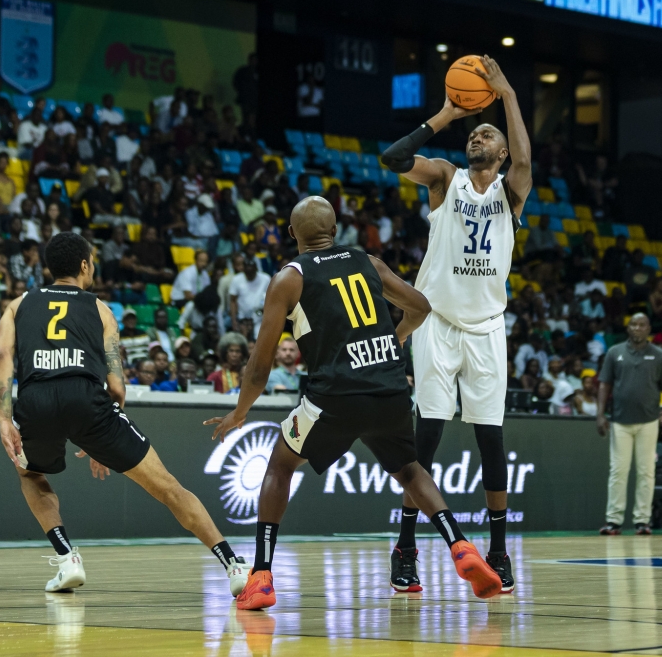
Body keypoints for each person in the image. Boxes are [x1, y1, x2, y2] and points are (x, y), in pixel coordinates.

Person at [205, 197, 502, 611]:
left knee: (280, 463)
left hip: (335, 397)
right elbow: (420, 306)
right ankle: (461, 545)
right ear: (335, 227)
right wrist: (394, 339)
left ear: (292, 234)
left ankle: (261, 575)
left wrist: (240, 411)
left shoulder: (289, 278)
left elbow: (259, 365)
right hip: (390, 389)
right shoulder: (368, 261)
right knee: (410, 470)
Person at [0, 232, 248, 594]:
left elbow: (2, 358)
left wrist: (4, 418)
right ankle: (232, 564)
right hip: (87, 400)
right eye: (92, 261)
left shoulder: (17, 306)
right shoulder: (99, 308)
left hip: (36, 399)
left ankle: (67, 559)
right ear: (84, 265)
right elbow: (116, 386)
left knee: (30, 475)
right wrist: (102, 437)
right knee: (168, 488)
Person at [379, 55, 531, 594]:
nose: (479, 137)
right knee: (427, 438)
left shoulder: (511, 193)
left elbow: (524, 158)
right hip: (438, 323)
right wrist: (447, 114)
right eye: (475, 133)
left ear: (504, 151)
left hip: (488, 327)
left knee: (492, 440)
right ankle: (404, 547)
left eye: (488, 134)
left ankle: (497, 550)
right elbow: (392, 157)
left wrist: (506, 95)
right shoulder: (446, 180)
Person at [597, 313, 662, 535]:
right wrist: (600, 414)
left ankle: (643, 520)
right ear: (628, 328)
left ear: (649, 328)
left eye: (642, 325)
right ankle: (613, 520)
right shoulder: (615, 352)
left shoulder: (659, 356)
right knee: (618, 471)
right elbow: (604, 384)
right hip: (620, 421)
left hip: (649, 421)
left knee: (646, 472)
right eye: (634, 324)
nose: (638, 328)